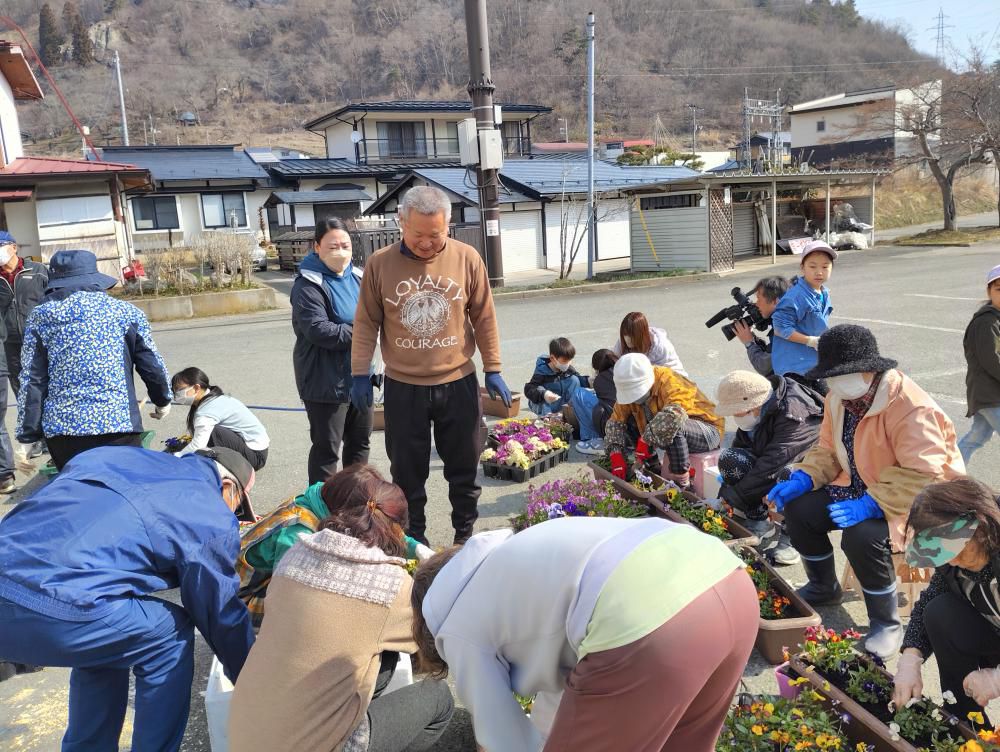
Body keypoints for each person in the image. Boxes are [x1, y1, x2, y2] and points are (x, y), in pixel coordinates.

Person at [410, 516, 757, 752]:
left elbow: (501, 737)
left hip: (651, 623)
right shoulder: (514, 560)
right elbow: (567, 697)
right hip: (727, 578)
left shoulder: (455, 627)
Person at [0, 445, 257, 752]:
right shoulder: (207, 510)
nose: (233, 518)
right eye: (237, 509)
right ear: (227, 487)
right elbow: (219, 612)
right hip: (46, 605)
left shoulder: (109, 455)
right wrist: (254, 681)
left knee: (113, 636)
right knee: (169, 634)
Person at [767, 324, 965, 659]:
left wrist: (871, 504)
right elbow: (827, 450)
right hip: (861, 484)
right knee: (800, 509)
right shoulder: (840, 398)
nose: (834, 383)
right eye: (831, 376)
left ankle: (886, 622)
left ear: (870, 370)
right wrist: (804, 477)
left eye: (841, 375)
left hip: (921, 499)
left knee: (861, 535)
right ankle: (824, 586)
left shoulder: (912, 406)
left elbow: (924, 473)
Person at [229, 465, 455, 752]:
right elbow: (435, 642)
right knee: (439, 698)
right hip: (314, 746)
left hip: (244, 731)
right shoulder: (390, 587)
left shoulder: (297, 551)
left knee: (382, 660)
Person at [350, 186, 512, 546]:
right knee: (407, 474)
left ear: (448, 225)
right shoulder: (379, 263)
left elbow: (484, 317)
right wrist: (360, 372)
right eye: (418, 234)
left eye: (435, 235)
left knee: (464, 469)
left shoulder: (467, 258)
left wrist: (493, 367)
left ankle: (464, 538)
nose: (426, 243)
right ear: (401, 223)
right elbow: (366, 322)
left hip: (458, 382)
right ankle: (415, 542)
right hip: (404, 386)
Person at [16, 250, 172, 470]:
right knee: (124, 487)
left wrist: (28, 435)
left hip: (64, 432)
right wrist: (162, 400)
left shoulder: (40, 317)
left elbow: (32, 379)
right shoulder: (127, 313)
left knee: (78, 488)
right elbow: (152, 366)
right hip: (118, 424)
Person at [236, 465, 433, 627]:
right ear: (350, 514)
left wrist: (415, 548)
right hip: (246, 599)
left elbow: (384, 528)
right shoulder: (297, 536)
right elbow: (287, 598)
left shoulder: (325, 497)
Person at [893, 478, 1000, 724]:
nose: (952, 561)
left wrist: (996, 679)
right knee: (939, 611)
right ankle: (965, 721)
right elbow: (931, 596)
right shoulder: (954, 562)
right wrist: (910, 659)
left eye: (957, 550)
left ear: (981, 530)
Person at [291, 218, 375, 485]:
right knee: (327, 450)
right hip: (324, 382)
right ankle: (322, 503)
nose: (340, 251)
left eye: (345, 245)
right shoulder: (307, 284)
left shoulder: (359, 277)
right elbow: (319, 330)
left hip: (360, 377)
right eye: (332, 246)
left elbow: (378, 314)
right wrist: (364, 331)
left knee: (360, 444)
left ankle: (355, 498)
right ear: (317, 247)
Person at [712, 370, 824, 566]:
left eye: (736, 412)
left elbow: (772, 465)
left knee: (788, 476)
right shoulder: (760, 409)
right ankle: (759, 520)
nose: (735, 417)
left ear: (753, 406)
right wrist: (725, 490)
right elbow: (742, 446)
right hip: (774, 460)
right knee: (731, 459)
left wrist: (730, 498)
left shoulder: (794, 414)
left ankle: (794, 538)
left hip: (811, 469)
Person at [605, 353, 724, 485]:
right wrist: (615, 454)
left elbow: (674, 415)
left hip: (707, 431)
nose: (635, 398)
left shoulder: (670, 380)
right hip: (673, 434)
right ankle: (651, 467)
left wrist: (646, 439)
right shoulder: (628, 387)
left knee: (672, 425)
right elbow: (615, 422)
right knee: (630, 422)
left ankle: (682, 480)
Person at [0, 230, 48, 480]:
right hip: (10, 343)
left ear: (14, 247)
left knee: (46, 387)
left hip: (39, 339)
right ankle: (35, 438)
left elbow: (52, 299)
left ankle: (52, 435)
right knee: (22, 391)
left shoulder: (37, 271)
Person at [170, 367, 270, 471]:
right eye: (174, 390)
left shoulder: (206, 411)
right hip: (258, 449)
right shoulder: (215, 397)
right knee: (205, 433)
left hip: (255, 457)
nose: (176, 394)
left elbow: (198, 445)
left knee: (212, 432)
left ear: (196, 388)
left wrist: (175, 457)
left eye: (179, 390)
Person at [770, 240, 836, 389]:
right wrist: (810, 341)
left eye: (825, 267)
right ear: (802, 267)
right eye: (812, 266)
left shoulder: (824, 292)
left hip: (814, 362)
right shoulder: (796, 296)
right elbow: (780, 328)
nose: (819, 272)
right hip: (795, 369)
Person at [958, 264, 1000, 464]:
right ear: (989, 292)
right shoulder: (986, 322)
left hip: (988, 394)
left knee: (977, 437)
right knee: (976, 438)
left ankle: (949, 474)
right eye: (999, 289)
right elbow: (992, 361)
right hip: (989, 395)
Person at [732, 275, 790, 378]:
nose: (756, 304)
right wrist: (752, 337)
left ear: (775, 301)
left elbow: (764, 367)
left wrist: (749, 343)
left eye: (759, 299)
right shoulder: (790, 317)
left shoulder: (783, 329)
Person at [523, 336, 589, 416]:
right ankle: (548, 418)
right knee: (543, 399)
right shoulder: (542, 371)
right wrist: (544, 394)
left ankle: (569, 411)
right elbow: (529, 388)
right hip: (545, 403)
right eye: (565, 360)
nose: (568, 363)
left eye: (570, 360)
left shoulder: (568, 368)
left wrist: (589, 381)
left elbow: (579, 380)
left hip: (559, 401)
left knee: (574, 380)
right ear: (552, 358)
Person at [572, 348, 619, 455]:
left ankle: (594, 439)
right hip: (634, 426)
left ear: (596, 367)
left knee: (578, 393)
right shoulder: (621, 370)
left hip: (613, 425)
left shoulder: (600, 380)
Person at [613, 311, 687, 377]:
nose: (627, 339)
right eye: (625, 334)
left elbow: (661, 375)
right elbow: (614, 363)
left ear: (640, 334)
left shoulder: (661, 346)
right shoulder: (622, 342)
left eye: (631, 335)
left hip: (672, 380)